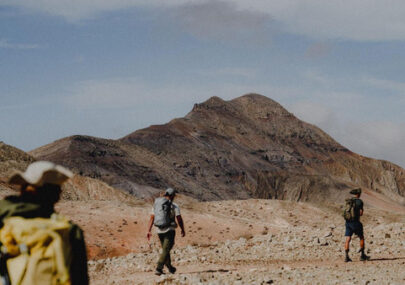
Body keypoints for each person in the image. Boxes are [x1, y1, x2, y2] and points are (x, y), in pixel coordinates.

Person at [0, 161, 89, 284]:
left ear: (23, 188)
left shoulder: (3, 220)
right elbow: (80, 279)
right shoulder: (69, 230)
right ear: (55, 195)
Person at [147, 188, 185, 276]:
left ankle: (170, 267)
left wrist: (148, 230)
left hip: (159, 231)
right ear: (172, 196)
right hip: (170, 230)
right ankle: (159, 268)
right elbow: (179, 218)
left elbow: (152, 218)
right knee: (166, 249)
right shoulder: (174, 206)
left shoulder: (157, 205)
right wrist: (182, 229)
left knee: (165, 249)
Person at [344, 188, 370, 262]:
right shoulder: (359, 202)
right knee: (361, 237)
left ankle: (346, 256)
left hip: (348, 222)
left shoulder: (349, 201)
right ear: (359, 194)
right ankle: (362, 255)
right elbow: (361, 213)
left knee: (348, 239)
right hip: (356, 222)